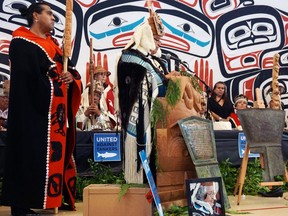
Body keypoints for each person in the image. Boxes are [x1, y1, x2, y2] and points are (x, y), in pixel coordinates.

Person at [1, 2, 82, 215]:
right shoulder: (21, 42)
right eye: (49, 13)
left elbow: (70, 70)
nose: (54, 18)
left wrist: (70, 77)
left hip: (51, 117)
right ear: (35, 16)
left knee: (43, 160)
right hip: (29, 113)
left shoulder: (55, 45)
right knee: (25, 156)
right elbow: (29, 78)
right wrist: (56, 79)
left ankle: (44, 200)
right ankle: (20, 206)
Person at [116, 7, 179, 183]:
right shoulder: (130, 58)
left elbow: (156, 80)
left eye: (159, 40)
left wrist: (168, 79)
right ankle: (139, 190)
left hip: (153, 117)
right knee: (140, 154)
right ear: (146, 37)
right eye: (156, 40)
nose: (158, 44)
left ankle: (152, 192)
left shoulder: (149, 59)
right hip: (138, 117)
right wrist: (166, 80)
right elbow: (150, 83)